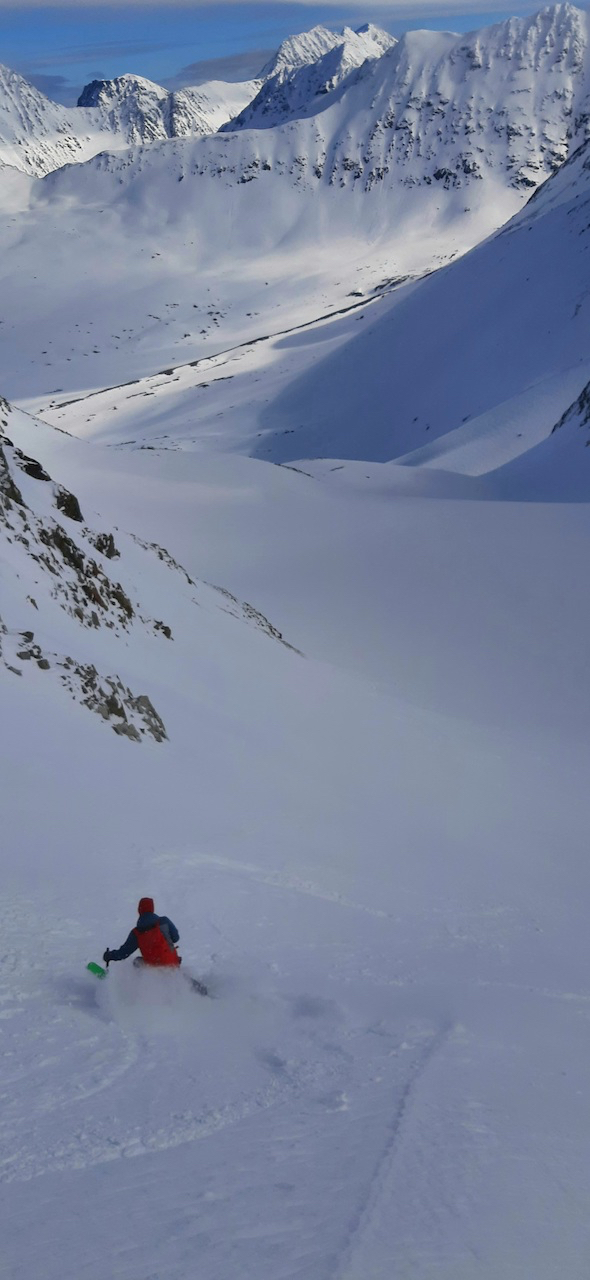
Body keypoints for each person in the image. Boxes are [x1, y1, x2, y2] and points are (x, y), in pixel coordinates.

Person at [103, 897, 181, 969]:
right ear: (152, 909)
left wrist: (110, 955)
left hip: (152, 967)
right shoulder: (164, 921)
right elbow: (176, 938)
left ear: (139, 910)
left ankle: (140, 979)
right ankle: (180, 977)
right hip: (172, 962)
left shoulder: (137, 933)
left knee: (137, 961)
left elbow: (124, 953)